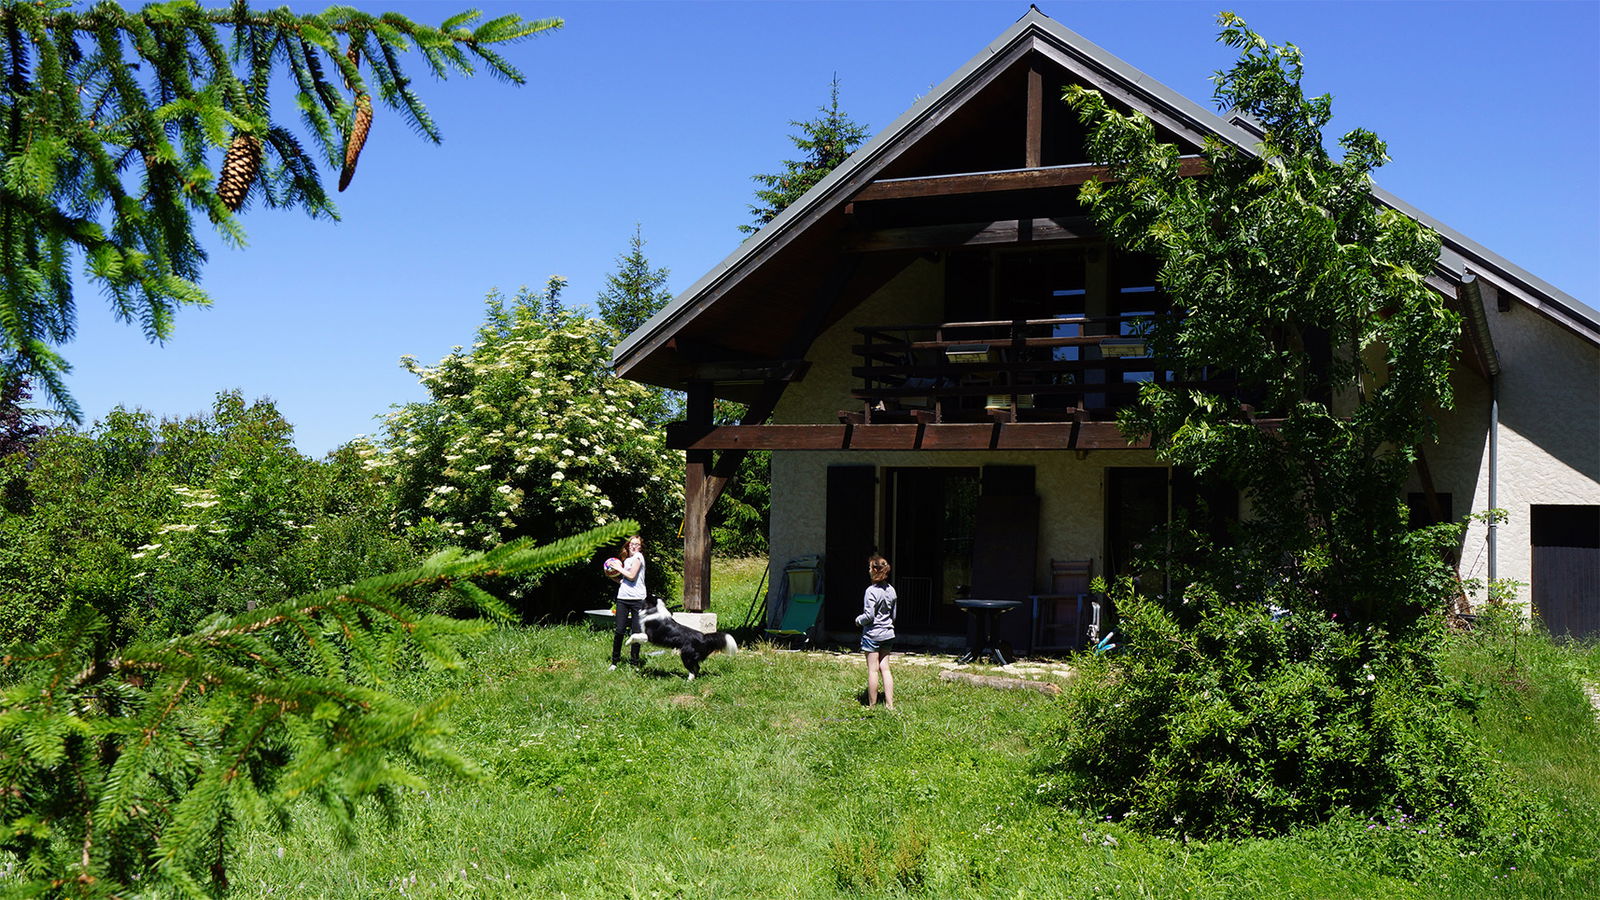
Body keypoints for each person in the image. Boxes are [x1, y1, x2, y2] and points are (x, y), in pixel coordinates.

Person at [856, 554, 897, 709]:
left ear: (874, 571)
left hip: (873, 635)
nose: (868, 570)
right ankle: (889, 704)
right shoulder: (891, 590)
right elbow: (893, 616)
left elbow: (869, 616)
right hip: (888, 634)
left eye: (869, 568)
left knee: (873, 670)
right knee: (885, 669)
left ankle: (872, 706)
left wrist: (858, 620)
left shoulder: (871, 591)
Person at [605, 535, 647, 670]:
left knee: (636, 633)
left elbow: (632, 576)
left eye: (637, 544)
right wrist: (612, 577)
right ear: (628, 546)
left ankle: (634, 663)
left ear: (640, 547)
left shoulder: (638, 557)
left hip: (638, 600)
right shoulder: (627, 560)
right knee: (619, 630)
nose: (634, 546)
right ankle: (614, 662)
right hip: (623, 598)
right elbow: (625, 580)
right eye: (631, 544)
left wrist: (618, 567)